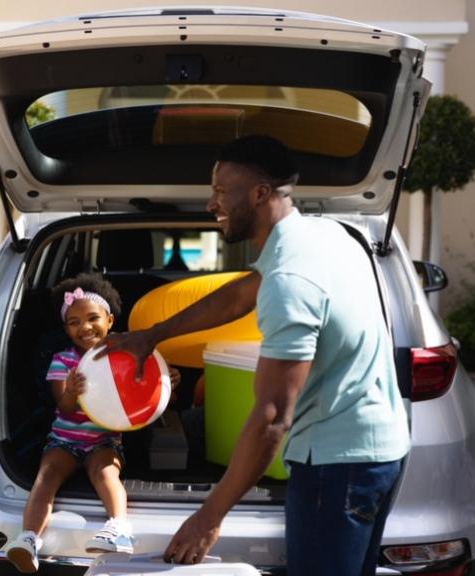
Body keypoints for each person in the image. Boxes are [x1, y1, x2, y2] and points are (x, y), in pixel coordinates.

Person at [102, 135, 410, 576]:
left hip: (336, 467)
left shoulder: (290, 281)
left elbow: (271, 418)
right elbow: (237, 296)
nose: (211, 203)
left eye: (221, 191)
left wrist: (209, 517)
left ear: (260, 193)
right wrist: (152, 335)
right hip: (381, 449)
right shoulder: (327, 236)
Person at [5, 273, 180, 573]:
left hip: (104, 440)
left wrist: (166, 385)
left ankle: (119, 527)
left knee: (105, 473)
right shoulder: (62, 361)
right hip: (64, 439)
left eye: (92, 318)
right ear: (65, 329)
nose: (84, 327)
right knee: (46, 476)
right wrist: (71, 390)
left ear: (110, 320)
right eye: (74, 322)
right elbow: (64, 407)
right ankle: (29, 539)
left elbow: (145, 403)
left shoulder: (128, 355)